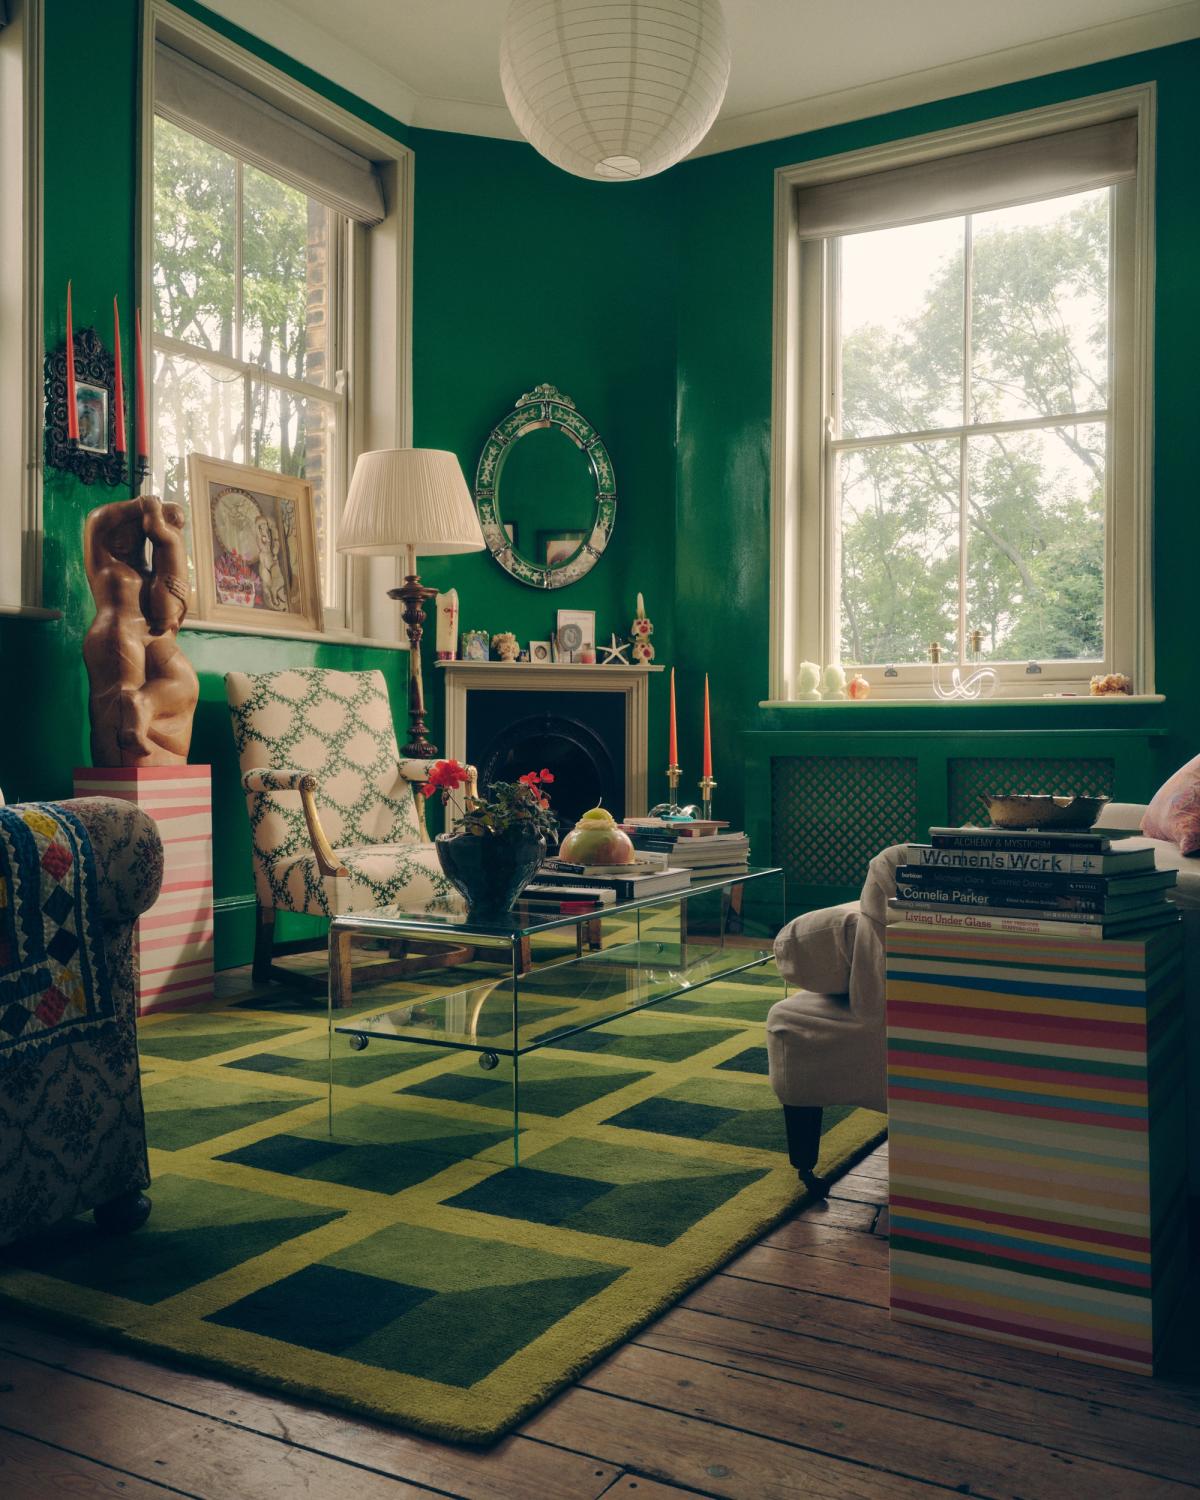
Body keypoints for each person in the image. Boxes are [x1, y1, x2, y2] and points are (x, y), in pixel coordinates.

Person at [83, 495, 200, 765]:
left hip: (154, 636)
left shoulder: (151, 571)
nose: (124, 538)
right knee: (120, 705)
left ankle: (144, 704)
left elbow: (171, 619)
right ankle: (129, 751)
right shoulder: (103, 564)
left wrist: (184, 597)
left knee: (186, 682)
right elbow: (97, 520)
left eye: (132, 531)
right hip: (117, 632)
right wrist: (145, 506)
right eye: (118, 532)